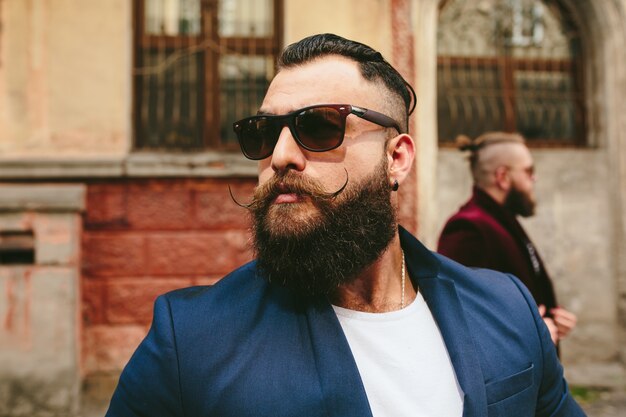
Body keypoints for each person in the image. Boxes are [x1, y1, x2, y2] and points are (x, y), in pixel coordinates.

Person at [106, 34, 585, 416]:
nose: (281, 156)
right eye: (264, 133)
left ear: (396, 158)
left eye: (318, 127)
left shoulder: (507, 309)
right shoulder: (190, 343)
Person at [437, 132, 577, 346]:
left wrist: (553, 316)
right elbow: (458, 316)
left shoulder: (501, 220)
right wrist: (533, 332)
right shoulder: (468, 228)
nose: (534, 178)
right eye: (529, 171)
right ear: (502, 177)